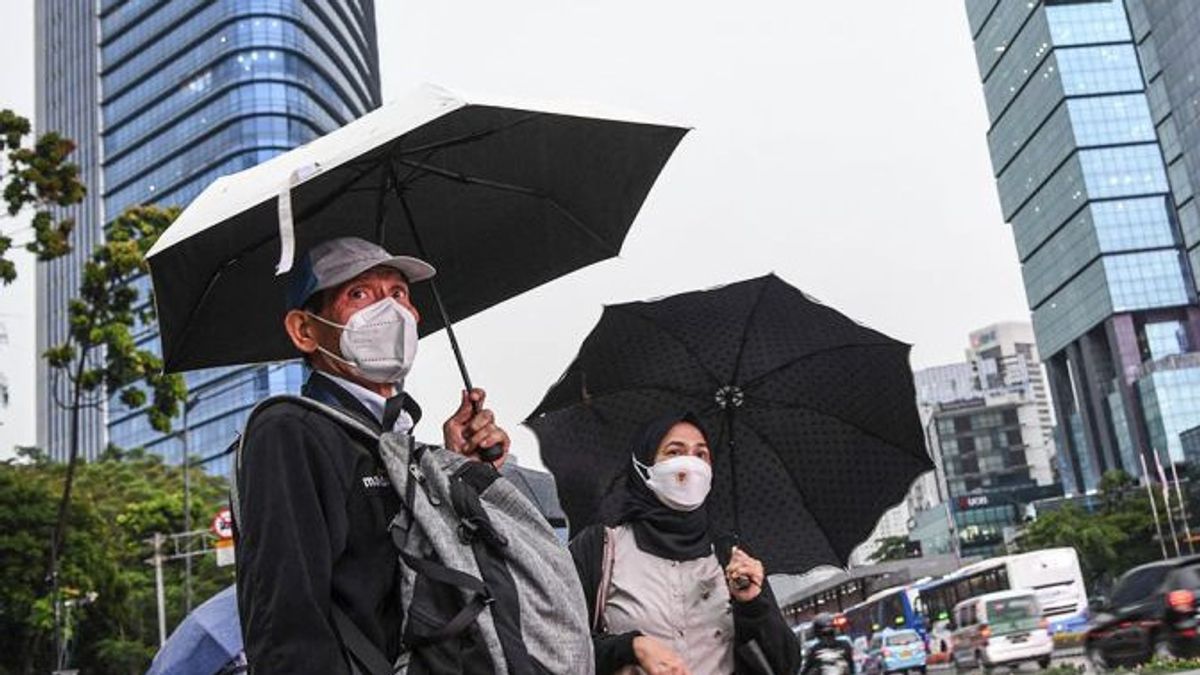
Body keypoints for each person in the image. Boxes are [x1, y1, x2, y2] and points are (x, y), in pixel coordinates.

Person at [235, 237, 511, 673]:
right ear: (304, 330)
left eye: (398, 294)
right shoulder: (290, 433)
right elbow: (286, 616)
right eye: (359, 294)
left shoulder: (401, 441)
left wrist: (459, 473)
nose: (390, 311)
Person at [569, 413, 800, 675]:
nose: (690, 463)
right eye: (674, 452)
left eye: (700, 455)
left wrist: (752, 604)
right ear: (643, 465)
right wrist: (631, 647)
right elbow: (561, 644)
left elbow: (786, 665)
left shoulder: (730, 556)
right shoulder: (600, 549)